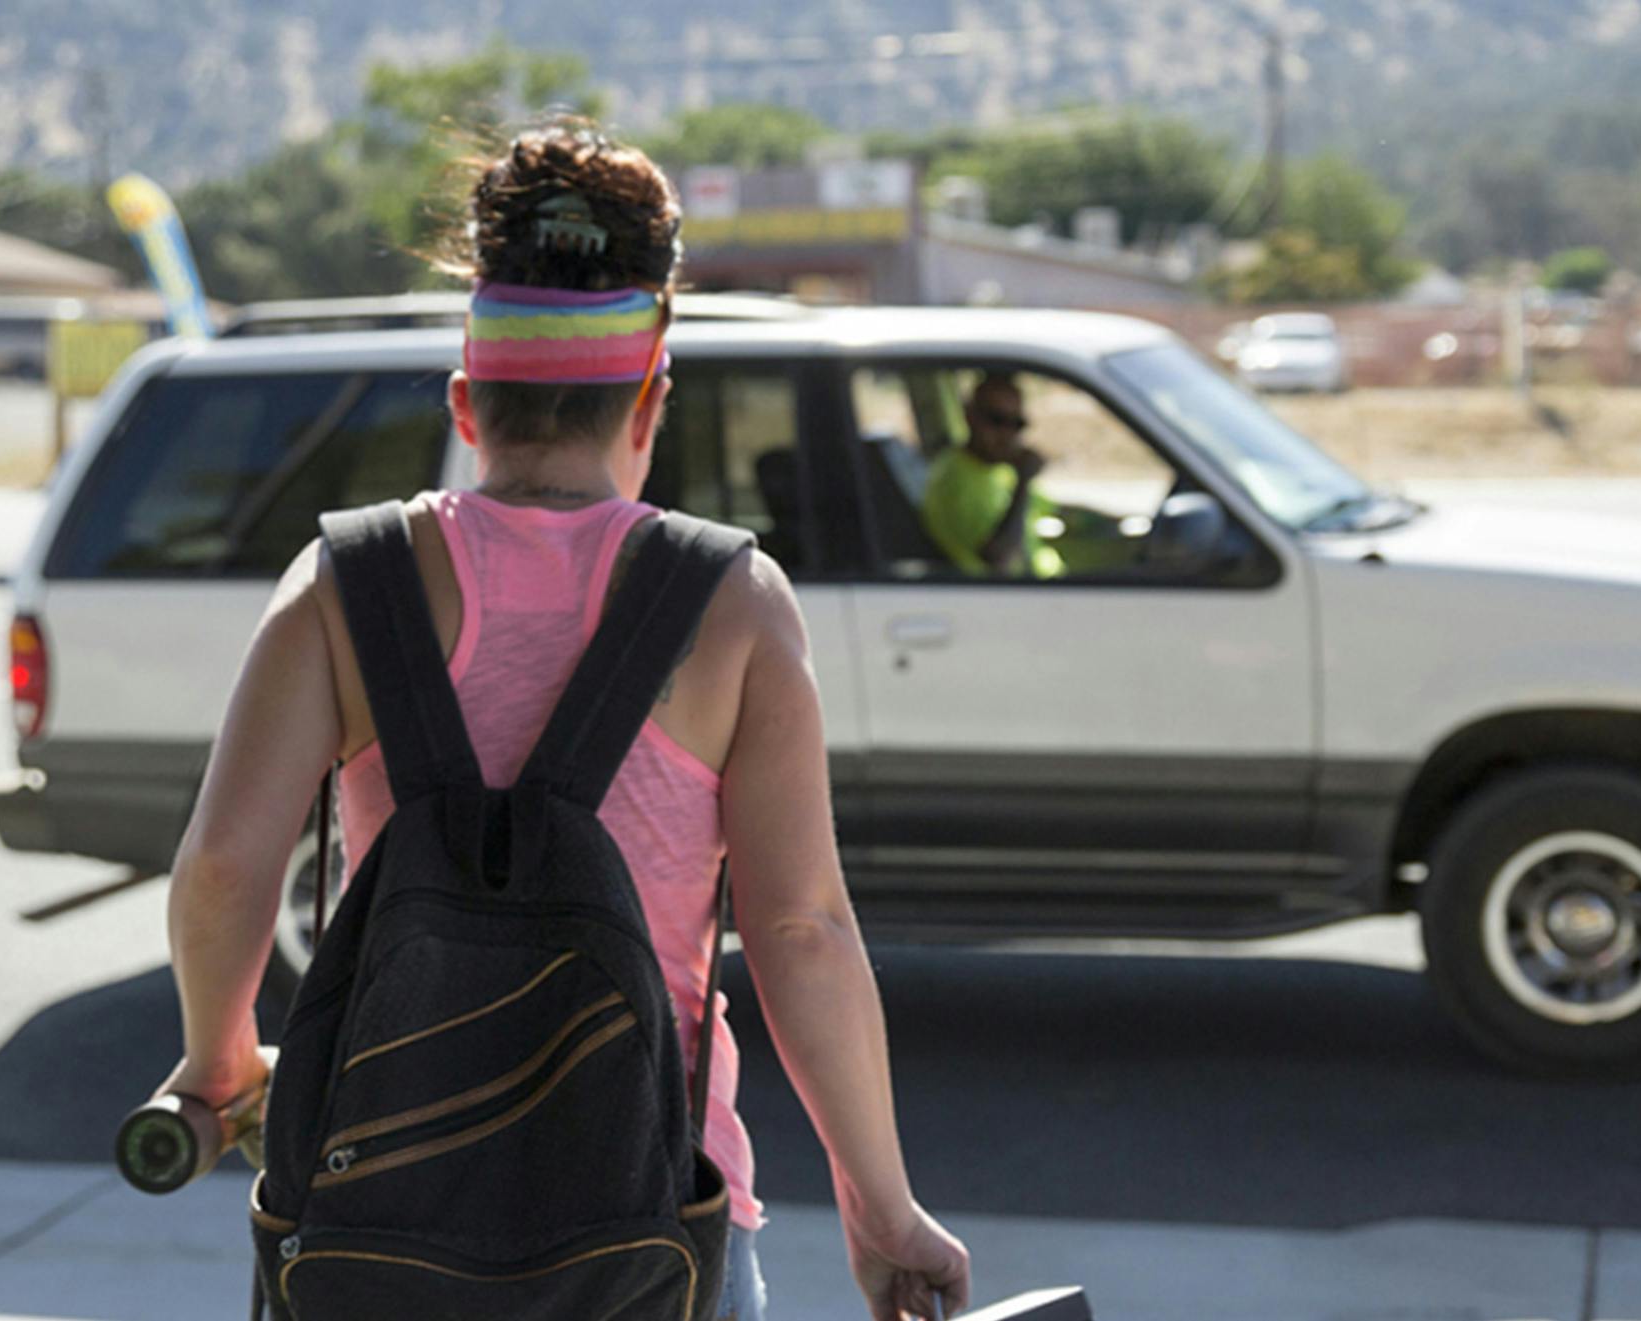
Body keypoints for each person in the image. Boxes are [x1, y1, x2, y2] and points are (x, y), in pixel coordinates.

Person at [158, 119, 970, 1321]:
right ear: (652, 400)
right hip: (648, 1232)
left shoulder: (344, 583)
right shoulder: (732, 603)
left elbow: (226, 868)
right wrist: (880, 1209)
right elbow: (800, 927)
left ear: (465, 403)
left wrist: (217, 1060)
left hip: (375, 1237)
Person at [919, 373, 1067, 579]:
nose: (1007, 434)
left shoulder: (998, 468)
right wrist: (1023, 481)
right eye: (997, 420)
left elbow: (1049, 509)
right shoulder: (953, 480)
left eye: (1017, 423)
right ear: (970, 417)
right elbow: (1000, 558)